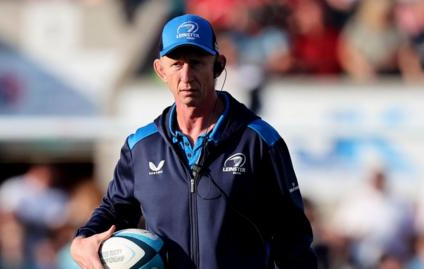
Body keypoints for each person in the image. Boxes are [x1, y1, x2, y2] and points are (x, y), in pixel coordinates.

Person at [71, 14, 316, 269]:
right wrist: (83, 239)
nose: (186, 76)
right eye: (177, 63)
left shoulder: (259, 141)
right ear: (160, 70)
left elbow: (293, 237)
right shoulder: (141, 147)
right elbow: (114, 210)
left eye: (197, 63)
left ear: (218, 65)